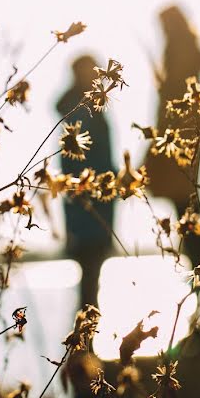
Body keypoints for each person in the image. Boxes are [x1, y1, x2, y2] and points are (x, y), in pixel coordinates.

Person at [146, 5, 200, 268]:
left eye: (164, 25)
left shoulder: (179, 51)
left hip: (178, 138)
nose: (162, 31)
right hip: (184, 136)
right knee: (188, 205)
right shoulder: (189, 50)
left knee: (187, 207)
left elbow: (173, 100)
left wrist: (161, 139)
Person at [57, 54, 115, 309]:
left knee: (92, 270)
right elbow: (78, 158)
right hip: (88, 199)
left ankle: (85, 337)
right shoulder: (80, 109)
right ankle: (85, 337)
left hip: (94, 197)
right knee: (91, 269)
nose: (96, 77)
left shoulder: (89, 106)